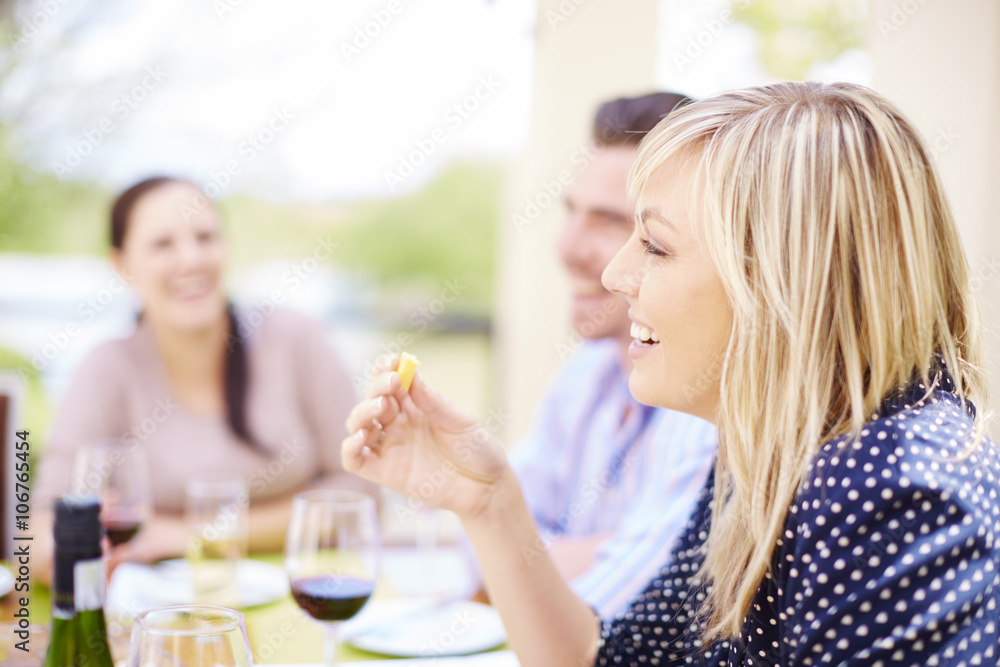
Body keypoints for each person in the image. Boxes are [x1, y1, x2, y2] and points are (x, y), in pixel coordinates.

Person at [341, 81, 1000, 666]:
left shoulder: (897, 490)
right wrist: (489, 502)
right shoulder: (763, 452)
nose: (614, 274)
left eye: (654, 245)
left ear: (782, 283)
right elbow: (603, 657)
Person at [34, 177, 372, 584]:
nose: (191, 259)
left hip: (306, 593)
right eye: (163, 244)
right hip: (157, 609)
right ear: (121, 265)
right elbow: (39, 528)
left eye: (205, 237)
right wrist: (73, 550)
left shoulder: (296, 339)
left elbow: (361, 491)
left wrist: (188, 534)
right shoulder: (108, 367)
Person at [508, 91, 717, 620]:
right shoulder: (588, 371)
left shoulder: (710, 405)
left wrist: (521, 554)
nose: (568, 248)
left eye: (611, 223)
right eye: (572, 213)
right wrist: (607, 551)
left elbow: (610, 621)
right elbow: (483, 549)